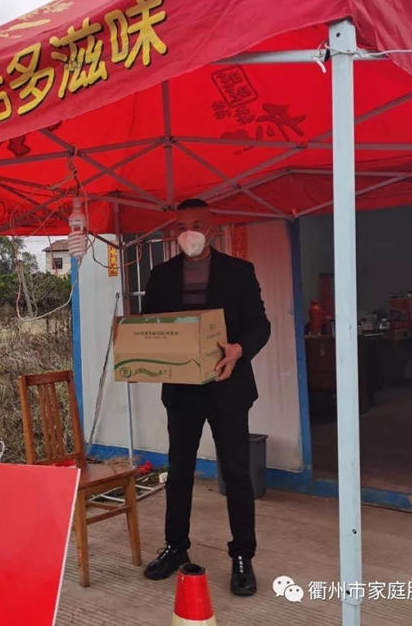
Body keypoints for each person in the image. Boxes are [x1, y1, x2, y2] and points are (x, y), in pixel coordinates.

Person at [141, 198, 271, 597]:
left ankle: (242, 555)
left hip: (227, 386)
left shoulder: (239, 272)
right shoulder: (161, 275)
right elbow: (148, 327)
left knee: (236, 472)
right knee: (179, 470)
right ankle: (175, 546)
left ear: (212, 229)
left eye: (196, 225)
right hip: (181, 390)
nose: (189, 233)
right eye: (181, 227)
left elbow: (260, 325)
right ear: (174, 233)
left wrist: (238, 350)